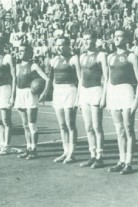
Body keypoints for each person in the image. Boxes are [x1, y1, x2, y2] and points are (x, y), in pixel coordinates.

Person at [106, 29, 138, 175]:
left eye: (120, 36)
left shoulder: (131, 56)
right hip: (114, 93)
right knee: (119, 130)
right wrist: (108, 98)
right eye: (114, 36)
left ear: (126, 39)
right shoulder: (110, 57)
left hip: (126, 92)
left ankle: (129, 162)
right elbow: (109, 79)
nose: (116, 38)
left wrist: (136, 101)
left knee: (128, 129)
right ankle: (121, 160)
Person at [78, 30, 108, 169]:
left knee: (97, 127)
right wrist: (79, 97)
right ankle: (92, 155)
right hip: (85, 92)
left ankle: (100, 156)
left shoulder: (101, 55)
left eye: (89, 39)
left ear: (95, 40)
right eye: (84, 39)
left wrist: (104, 96)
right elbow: (80, 79)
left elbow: (106, 77)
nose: (86, 41)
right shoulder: (82, 56)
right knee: (88, 127)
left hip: (96, 90)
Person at [15, 44, 50, 159]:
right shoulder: (18, 66)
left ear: (29, 53)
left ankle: (34, 149)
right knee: (25, 125)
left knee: (31, 124)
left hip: (30, 94)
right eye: (19, 51)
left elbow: (47, 79)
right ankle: (29, 148)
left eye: (23, 51)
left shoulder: (33, 65)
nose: (20, 53)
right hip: (20, 94)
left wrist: (44, 93)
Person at [50, 36, 81, 164]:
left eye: (62, 45)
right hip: (58, 92)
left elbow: (80, 79)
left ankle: (72, 153)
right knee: (62, 125)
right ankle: (65, 151)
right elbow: (53, 79)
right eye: (57, 45)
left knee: (70, 124)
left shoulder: (73, 59)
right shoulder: (55, 60)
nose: (59, 47)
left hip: (70, 90)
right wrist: (53, 95)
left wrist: (78, 97)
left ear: (68, 45)